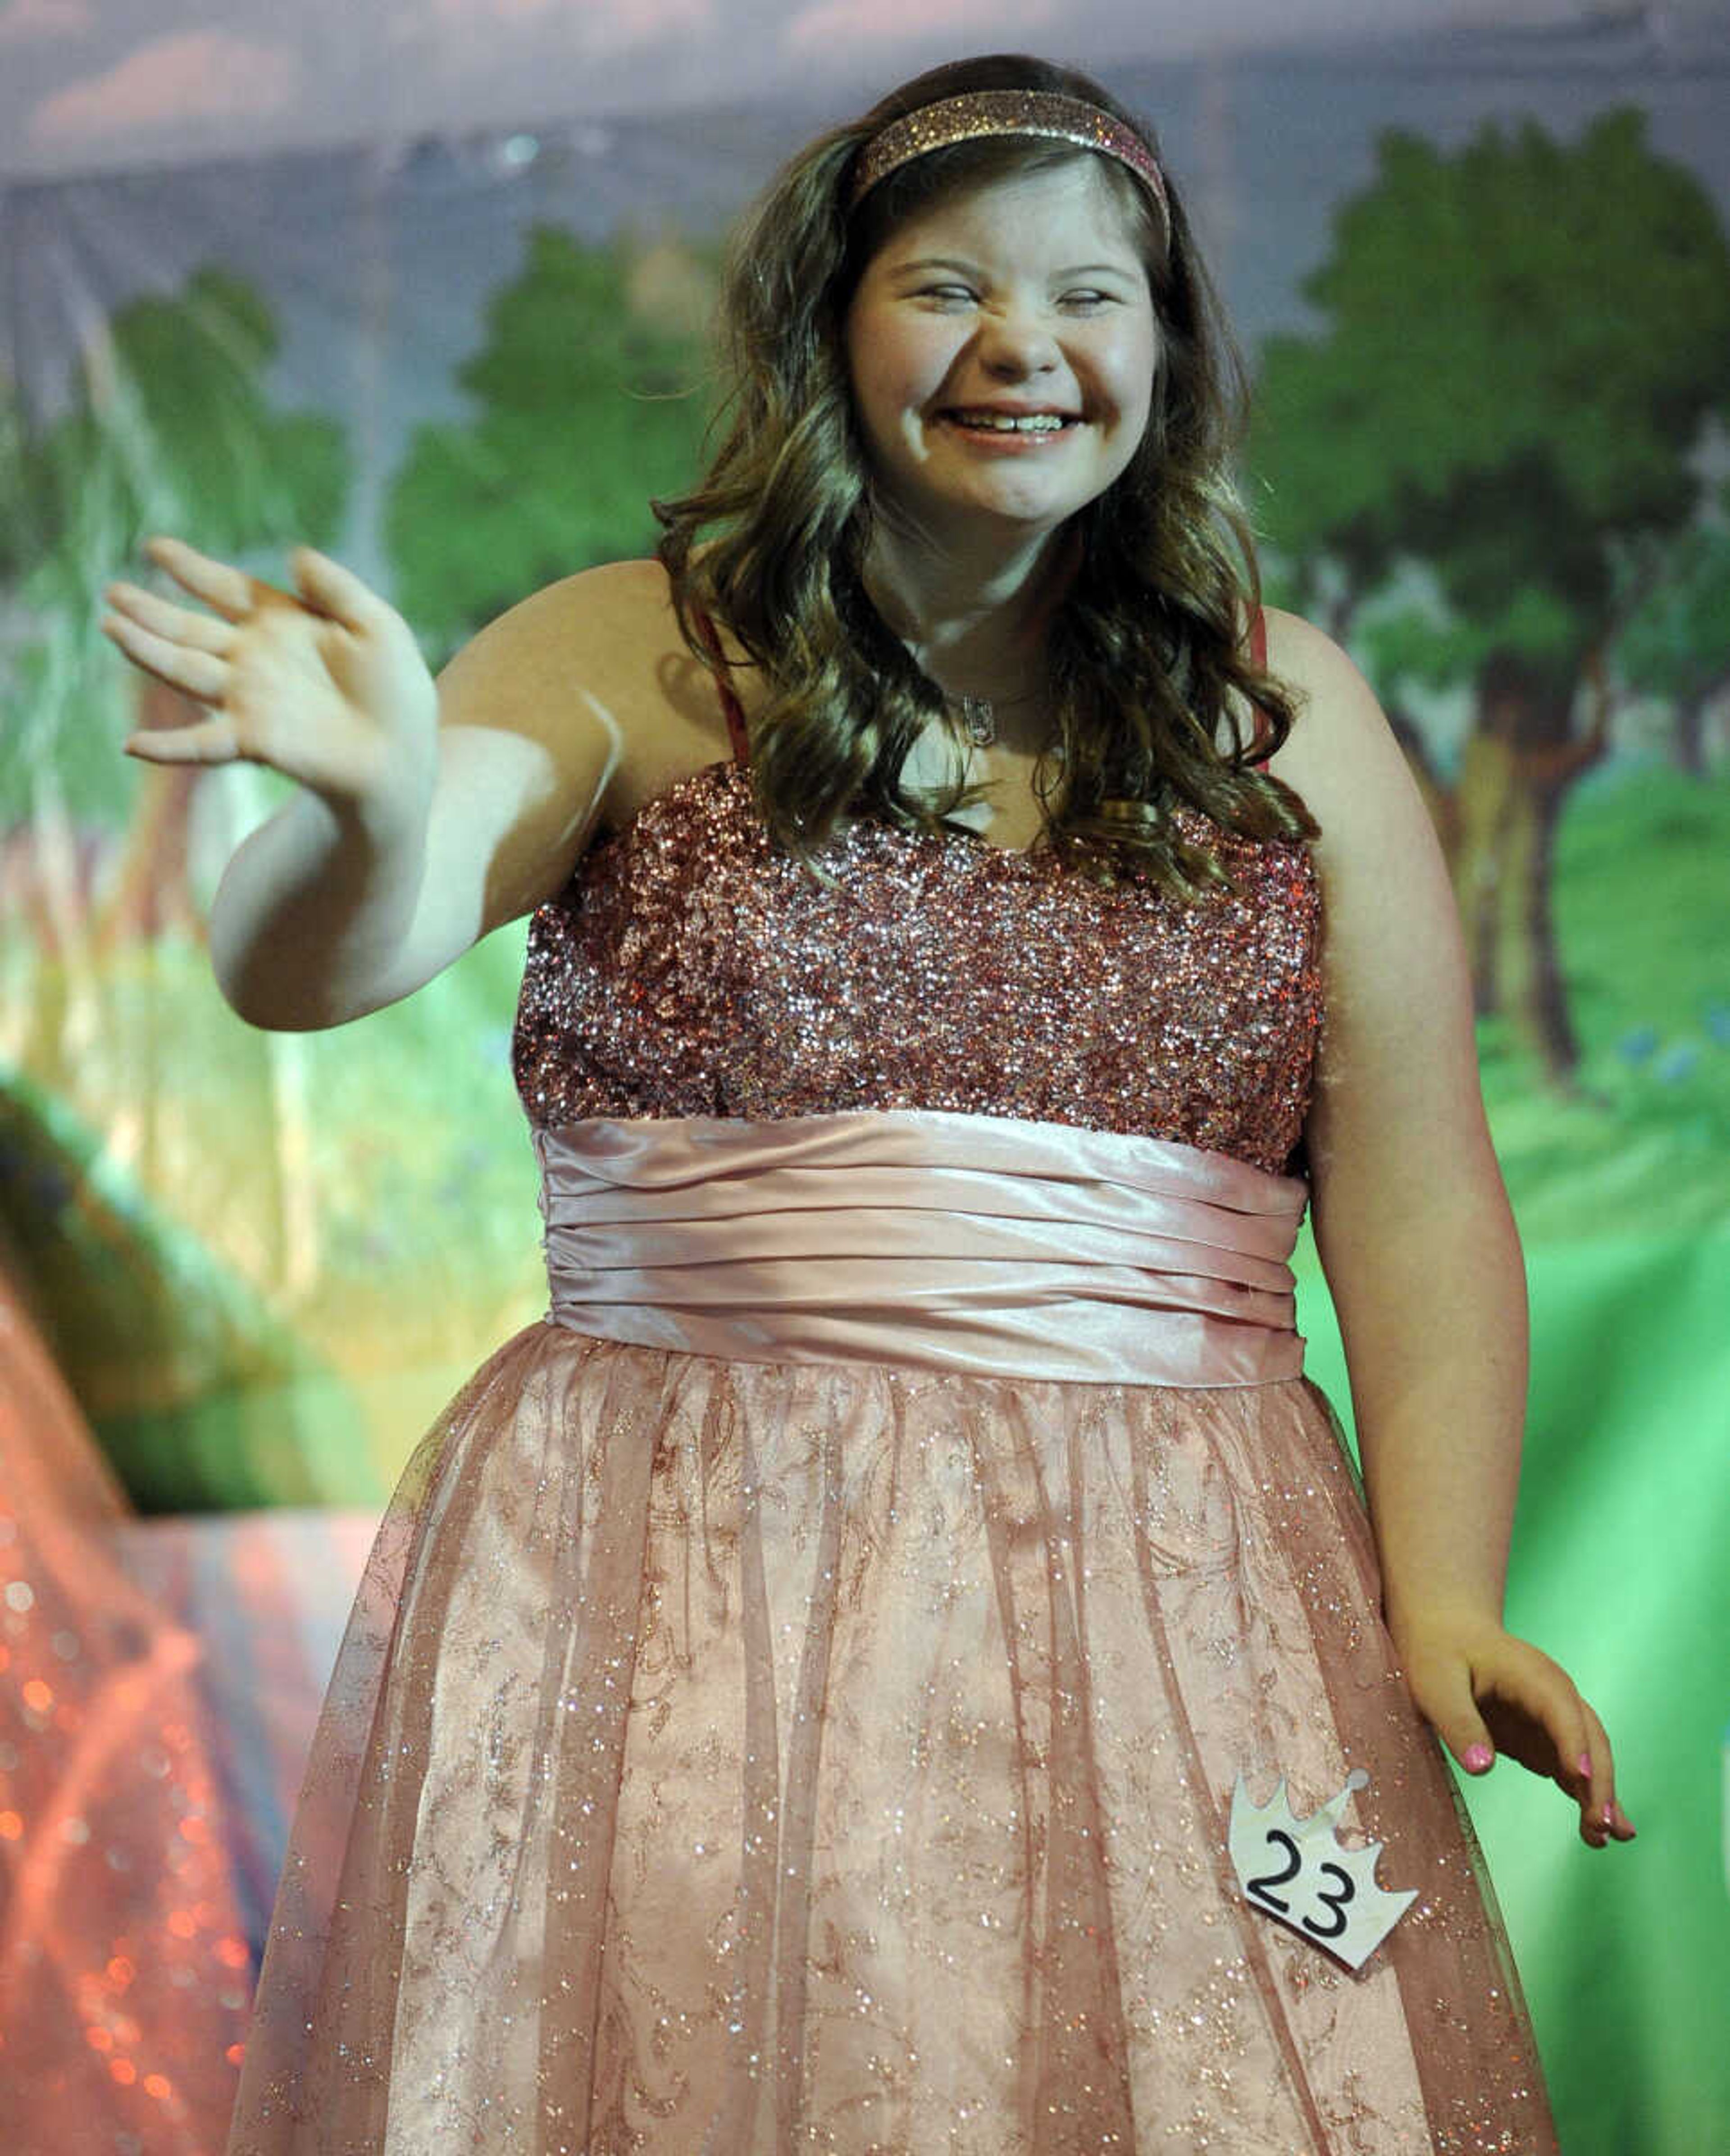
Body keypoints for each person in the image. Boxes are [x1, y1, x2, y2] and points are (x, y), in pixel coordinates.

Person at [101, 51, 1632, 2154]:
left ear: (1165, 352)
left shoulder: (1290, 709)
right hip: (692, 1566)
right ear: (834, 331)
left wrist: (1441, 1589)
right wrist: (365, 806)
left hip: (1191, 1582)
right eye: (951, 291)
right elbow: (318, 962)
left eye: (1093, 296)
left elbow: (1420, 1192)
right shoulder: (637, 652)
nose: (1027, 347)